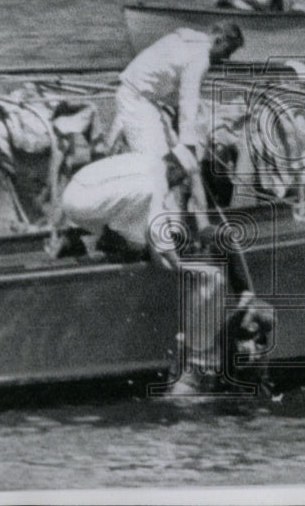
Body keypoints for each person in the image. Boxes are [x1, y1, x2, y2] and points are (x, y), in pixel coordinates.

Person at [53, 145, 271, 395]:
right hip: (85, 206)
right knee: (139, 245)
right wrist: (180, 267)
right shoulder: (153, 187)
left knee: (137, 232)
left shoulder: (148, 158)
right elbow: (160, 232)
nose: (177, 185)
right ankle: (88, 243)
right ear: (173, 169)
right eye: (179, 179)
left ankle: (86, 239)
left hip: (78, 190)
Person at [111, 22, 243, 160]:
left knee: (169, 145)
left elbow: (174, 91)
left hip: (142, 96)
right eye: (227, 51)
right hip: (136, 100)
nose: (226, 58)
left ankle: (123, 132)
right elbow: (188, 98)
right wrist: (188, 142)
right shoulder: (201, 56)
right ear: (219, 41)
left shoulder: (187, 38)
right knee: (156, 161)